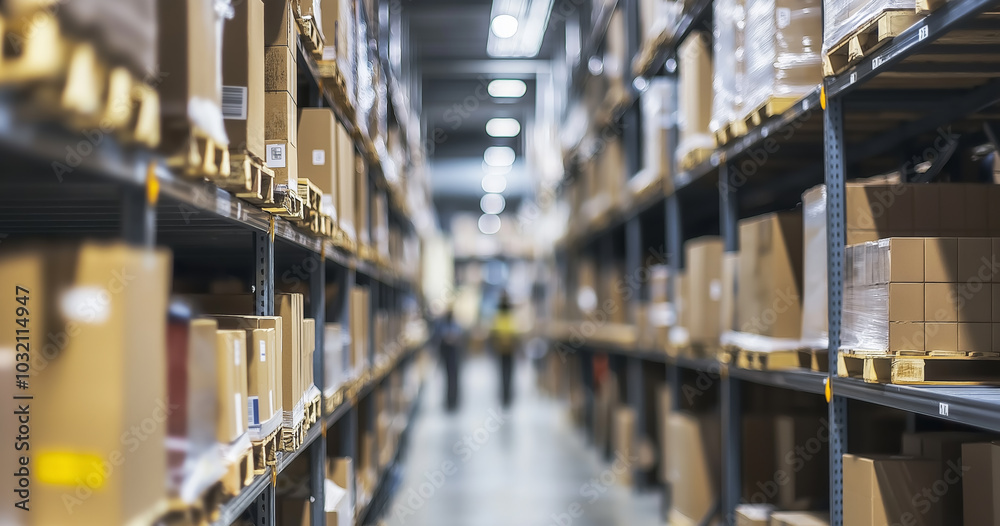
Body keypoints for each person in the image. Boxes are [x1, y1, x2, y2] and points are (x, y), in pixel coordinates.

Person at [490, 293, 520, 407]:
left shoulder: (500, 316)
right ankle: (506, 395)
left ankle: (506, 395)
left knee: (505, 372)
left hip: (506, 349)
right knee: (506, 372)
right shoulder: (504, 316)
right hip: (505, 349)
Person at [435, 309, 463, 411]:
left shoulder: (456, 325)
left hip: (455, 356)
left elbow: (459, 339)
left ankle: (454, 401)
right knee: (448, 379)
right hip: (447, 356)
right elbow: (440, 338)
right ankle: (449, 401)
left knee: (454, 379)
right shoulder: (443, 326)